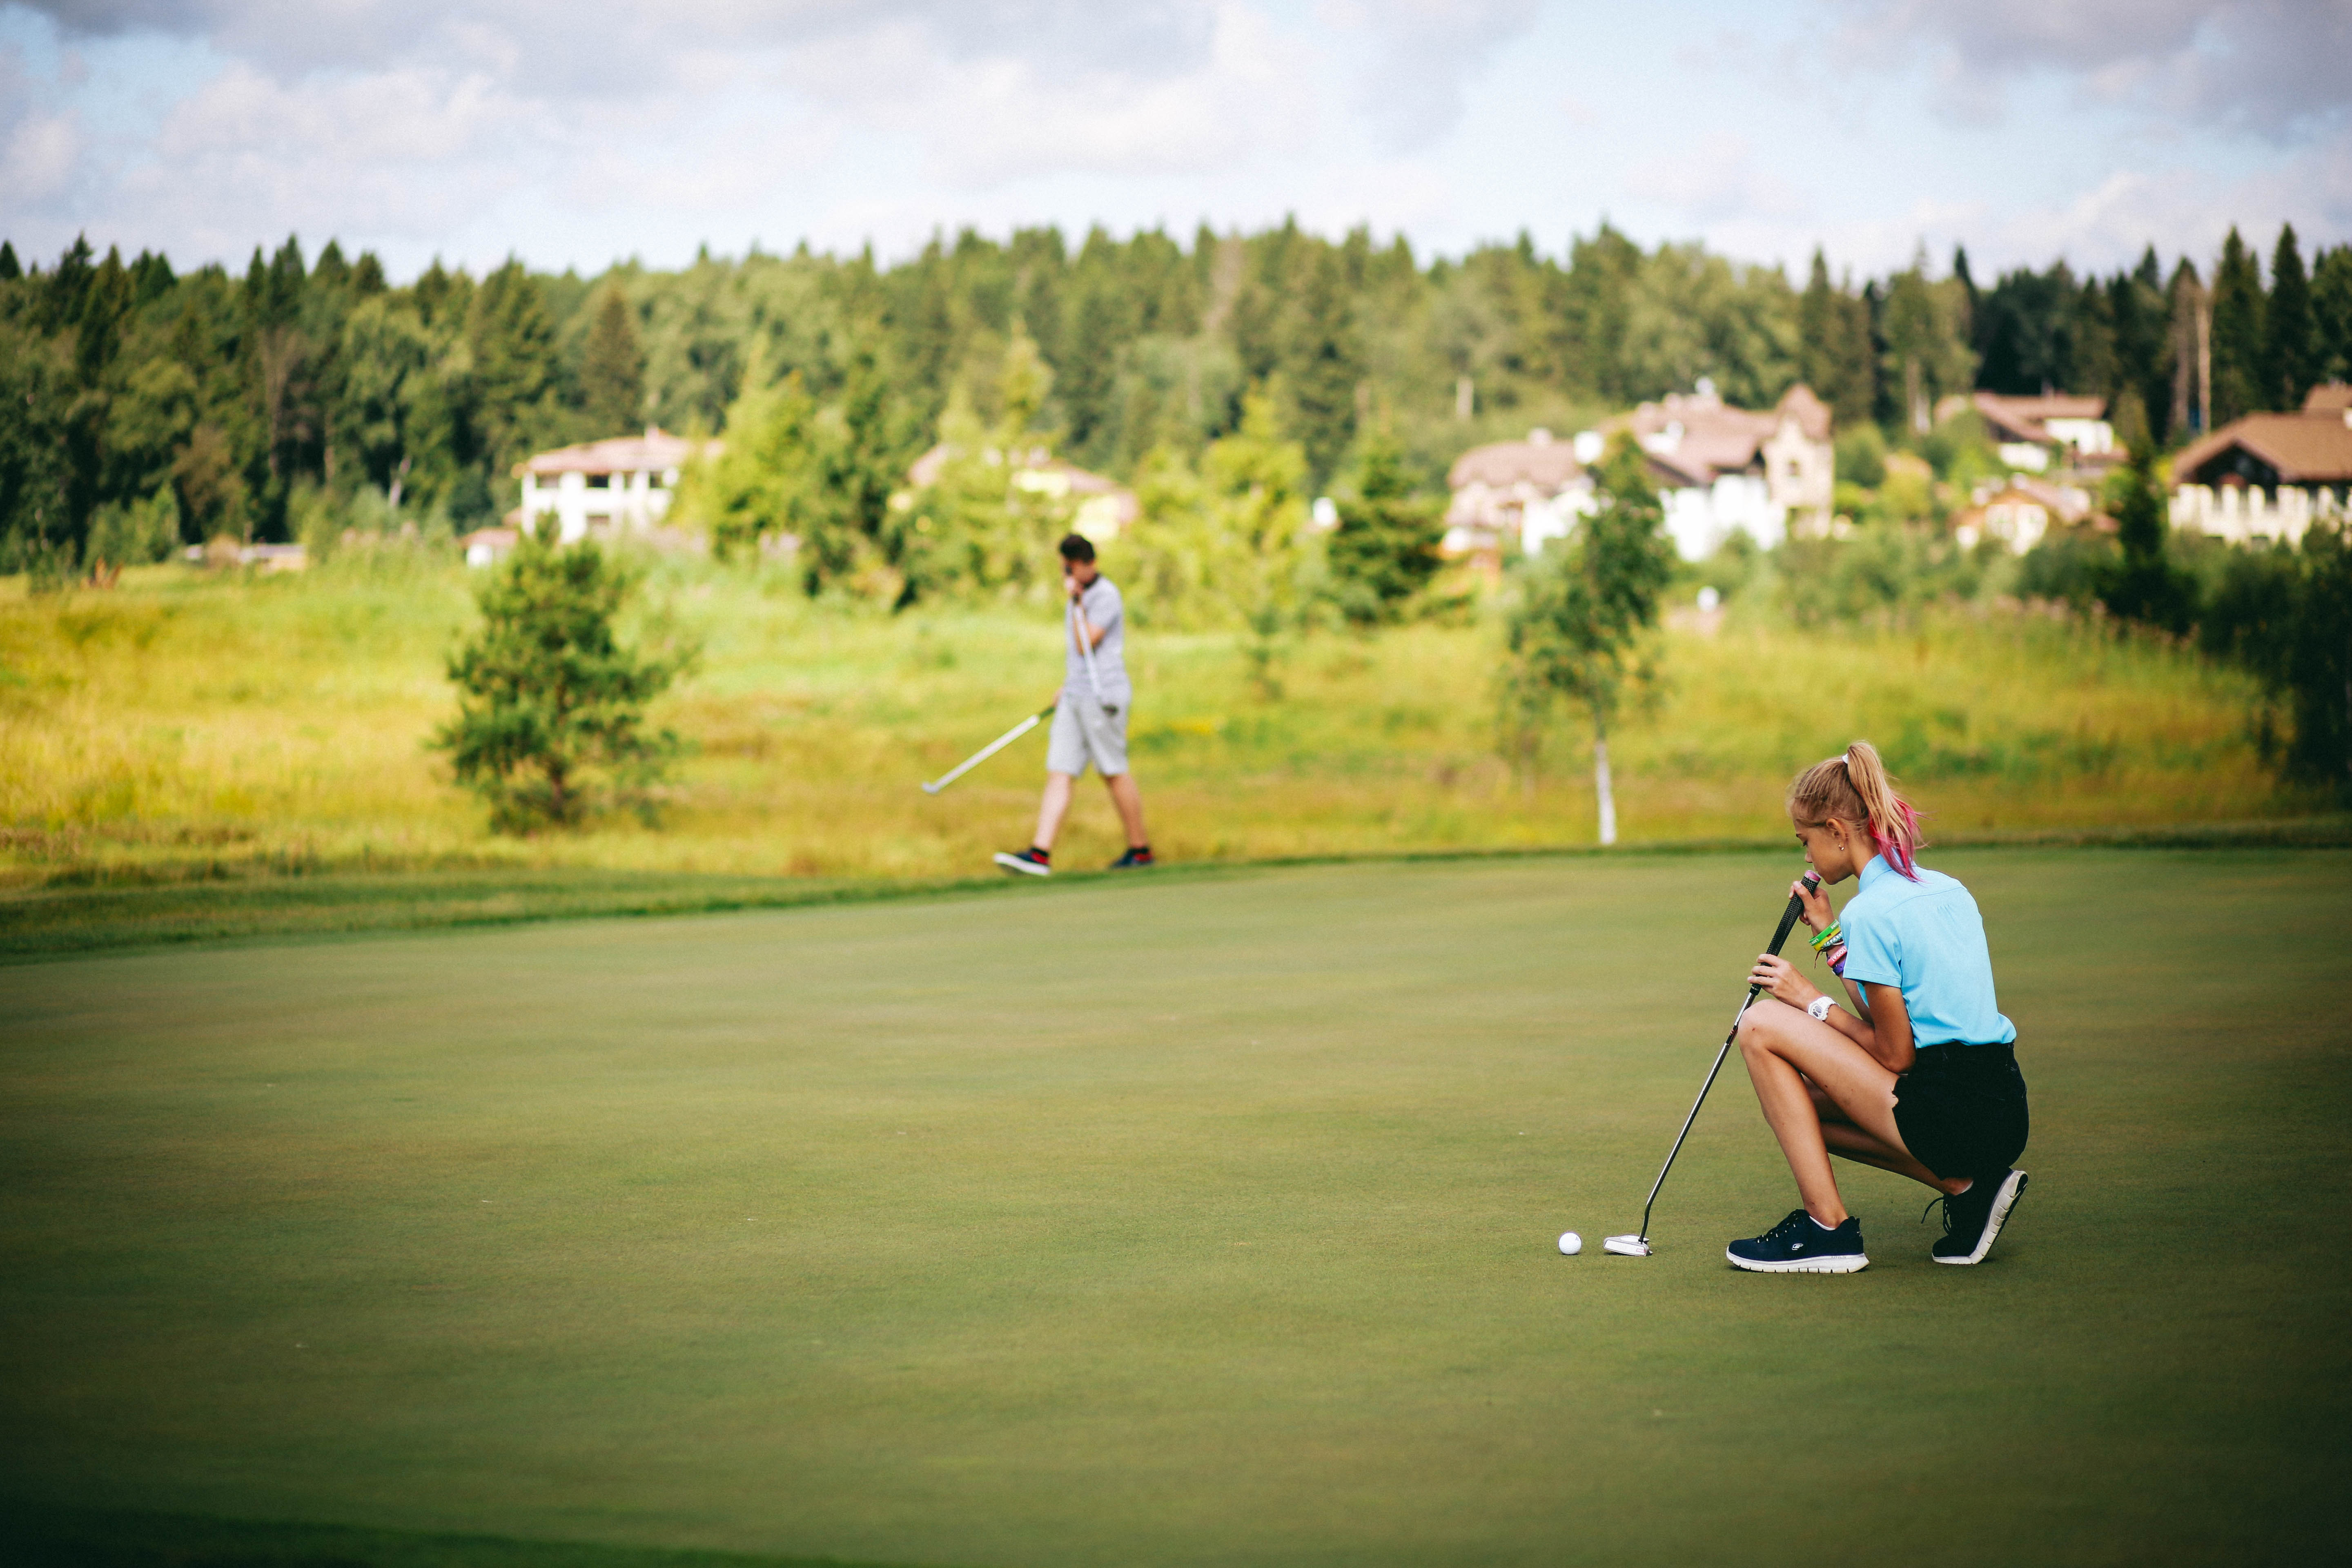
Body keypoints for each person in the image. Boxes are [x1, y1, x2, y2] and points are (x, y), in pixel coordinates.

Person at [1726, 741, 2029, 1273]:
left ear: (1838, 833)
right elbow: (1894, 1008)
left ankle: (1829, 1230)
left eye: (1807, 840)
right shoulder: (1947, 888)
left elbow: (1896, 1055)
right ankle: (1969, 1189)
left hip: (1951, 1112)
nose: (1807, 856)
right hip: (2002, 1104)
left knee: (1759, 1024)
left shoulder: (1870, 912)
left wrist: (1809, 1000)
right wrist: (1828, 935)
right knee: (1800, 1109)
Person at [994, 535, 1153, 876]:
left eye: (1068, 568)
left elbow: (1086, 644)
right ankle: (1040, 854)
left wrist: (1078, 603)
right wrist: (1068, 686)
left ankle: (1140, 850)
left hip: (1103, 697)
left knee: (1112, 769)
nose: (1066, 575)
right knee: (1060, 769)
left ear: (1082, 564)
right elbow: (1080, 659)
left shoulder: (1104, 596)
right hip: (1076, 695)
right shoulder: (1078, 598)